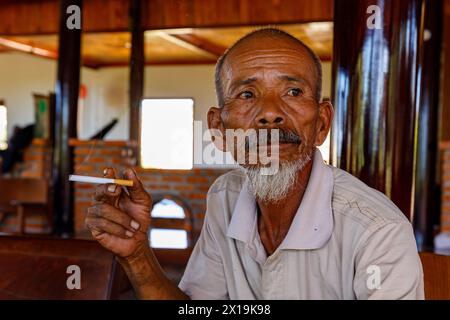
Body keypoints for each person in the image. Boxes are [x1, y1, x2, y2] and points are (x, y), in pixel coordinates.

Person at [85, 28, 424, 299]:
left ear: (321, 124)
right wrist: (136, 255)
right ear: (219, 129)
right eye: (247, 95)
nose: (271, 112)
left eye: (293, 92)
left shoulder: (377, 232)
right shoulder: (225, 197)